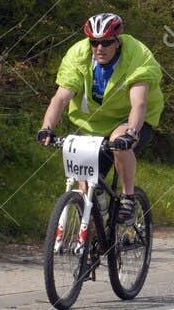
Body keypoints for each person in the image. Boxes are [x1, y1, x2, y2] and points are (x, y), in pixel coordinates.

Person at [36, 13, 165, 220]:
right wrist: (46, 127)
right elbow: (60, 98)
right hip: (93, 123)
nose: (99, 48)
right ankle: (92, 232)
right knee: (85, 186)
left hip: (132, 117)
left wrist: (131, 133)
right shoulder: (78, 55)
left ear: (117, 40)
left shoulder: (137, 54)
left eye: (106, 43)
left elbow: (139, 102)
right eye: (94, 42)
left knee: (118, 142)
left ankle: (128, 197)